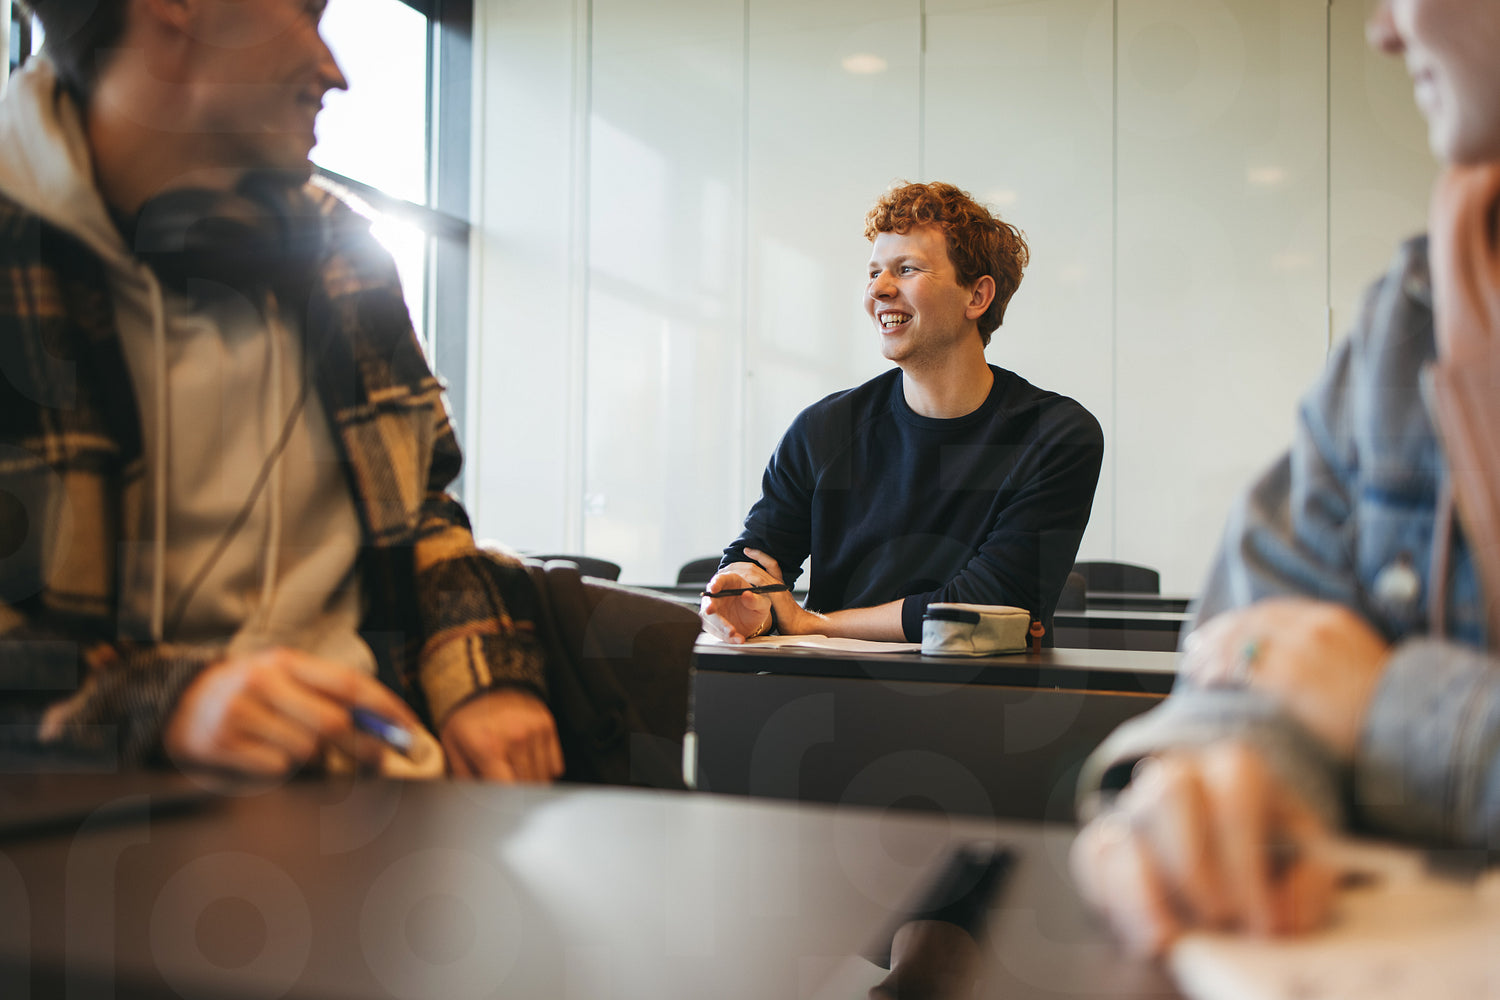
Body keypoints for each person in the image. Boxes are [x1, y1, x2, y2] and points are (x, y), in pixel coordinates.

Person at [0, 0, 562, 782]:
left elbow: (422, 508)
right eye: (306, 10)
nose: (336, 72)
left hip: (377, 788)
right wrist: (166, 701)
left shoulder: (345, 255)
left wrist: (483, 676)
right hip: (102, 815)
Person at [1070, 0, 1500, 958]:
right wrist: (1211, 783)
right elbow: (1264, 651)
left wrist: (1398, 712)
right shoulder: (1410, 317)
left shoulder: (1053, 430)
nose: (1384, 32)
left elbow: (1338, 680)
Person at [699, 182, 1104, 644]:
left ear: (977, 296)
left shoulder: (1054, 434)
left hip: (982, 688)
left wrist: (815, 623)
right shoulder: (823, 429)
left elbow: (988, 606)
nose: (879, 289)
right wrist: (743, 598)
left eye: (906, 269)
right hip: (826, 683)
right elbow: (757, 559)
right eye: (874, 272)